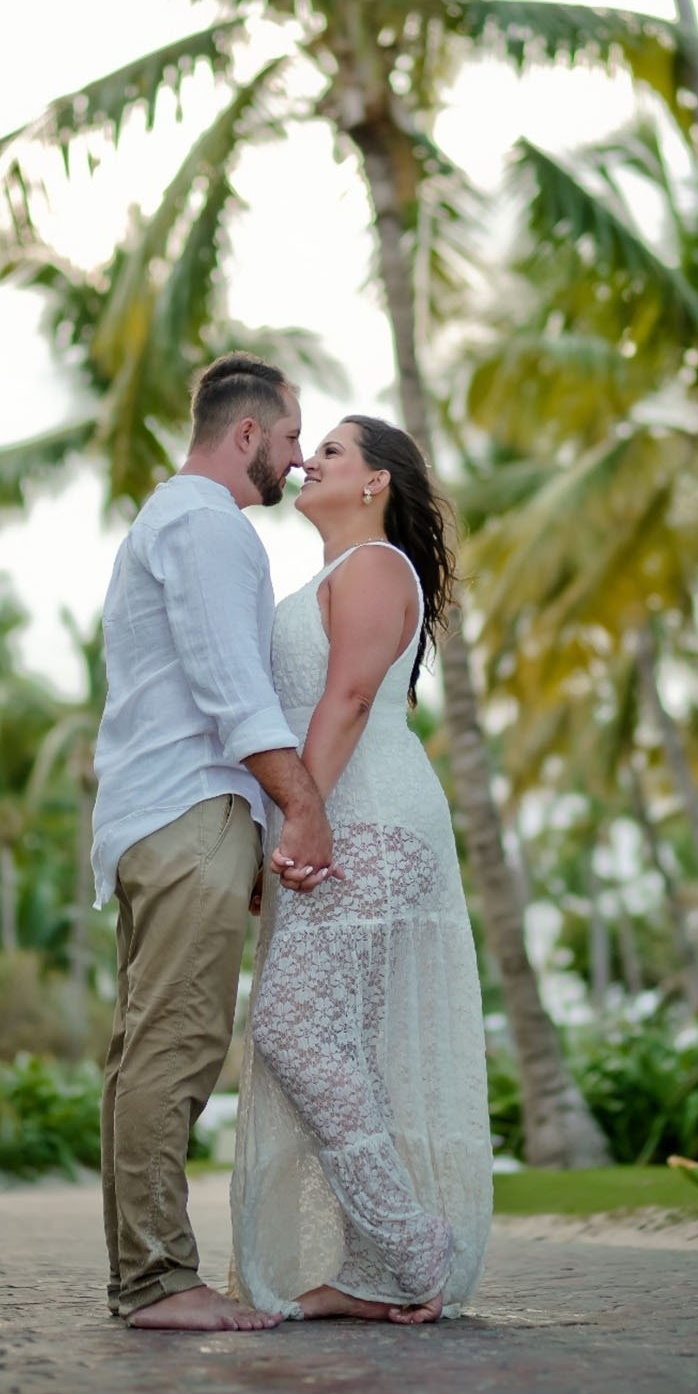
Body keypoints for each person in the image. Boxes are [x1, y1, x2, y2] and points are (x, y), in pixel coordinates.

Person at [91, 353, 338, 1333]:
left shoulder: (173, 519)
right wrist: (300, 811)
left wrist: (247, 827)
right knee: (177, 1047)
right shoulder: (207, 524)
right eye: (288, 439)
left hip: (173, 815)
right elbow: (233, 686)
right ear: (246, 435)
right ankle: (157, 1280)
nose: (294, 459)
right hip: (186, 811)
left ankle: (141, 1276)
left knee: (145, 1050)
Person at [231, 415, 494, 1323]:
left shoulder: (378, 567)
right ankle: (371, 1271)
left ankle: (414, 1245)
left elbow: (345, 698)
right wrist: (288, 824)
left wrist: (303, 819)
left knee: (294, 1030)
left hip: (372, 819)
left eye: (332, 450)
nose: (308, 459)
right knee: (341, 1046)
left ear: (376, 482)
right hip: (331, 821)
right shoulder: (332, 574)